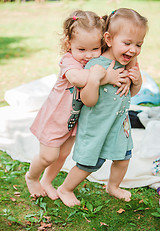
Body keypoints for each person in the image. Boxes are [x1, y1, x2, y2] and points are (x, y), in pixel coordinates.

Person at [25, 10, 129, 199]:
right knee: (48, 156)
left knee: (62, 155)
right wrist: (105, 77)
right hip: (54, 118)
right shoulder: (68, 61)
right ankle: (32, 177)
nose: (88, 55)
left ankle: (47, 182)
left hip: (73, 122)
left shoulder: (95, 62)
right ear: (68, 44)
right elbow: (79, 79)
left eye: (94, 49)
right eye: (81, 49)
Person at [57, 8, 148, 207]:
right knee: (89, 164)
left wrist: (137, 81)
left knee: (123, 159)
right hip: (96, 125)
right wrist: (96, 80)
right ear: (108, 38)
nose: (133, 50)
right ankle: (65, 188)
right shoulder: (95, 65)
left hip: (118, 123)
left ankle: (113, 186)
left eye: (138, 44)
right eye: (127, 43)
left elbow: (131, 93)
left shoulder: (128, 63)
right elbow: (88, 100)